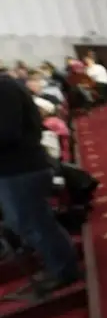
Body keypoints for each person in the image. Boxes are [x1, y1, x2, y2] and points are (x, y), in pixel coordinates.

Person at [0, 77, 81, 295]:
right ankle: (58, 265)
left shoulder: (4, 87)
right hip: (16, 170)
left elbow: (7, 132)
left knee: (35, 223)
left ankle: (63, 270)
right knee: (27, 223)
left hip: (21, 169)